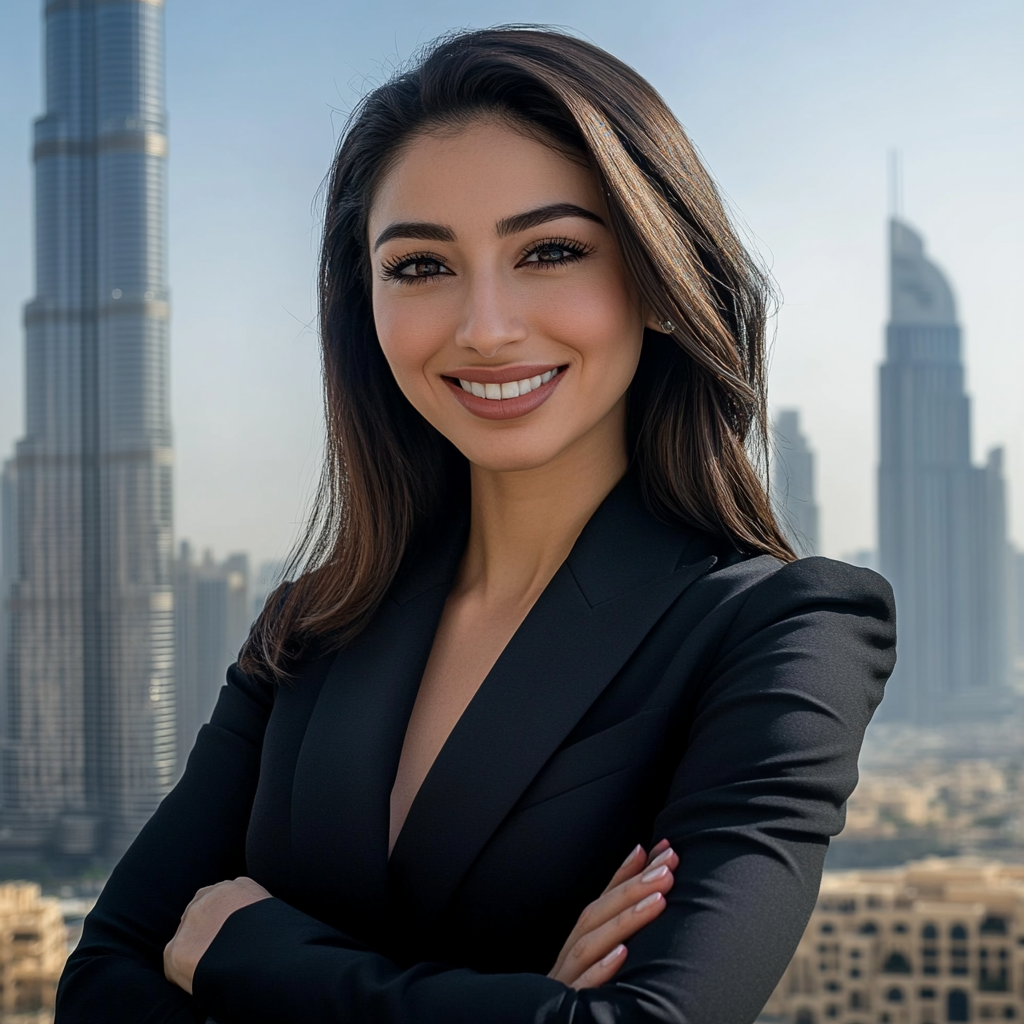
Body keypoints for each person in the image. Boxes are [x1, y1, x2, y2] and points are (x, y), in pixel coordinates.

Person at [56, 26, 896, 1024]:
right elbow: (103, 985)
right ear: (362, 304)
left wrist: (250, 951)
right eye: (419, 267)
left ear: (662, 283)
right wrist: (523, 1001)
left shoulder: (781, 632)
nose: (485, 326)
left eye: (550, 251)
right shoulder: (309, 631)